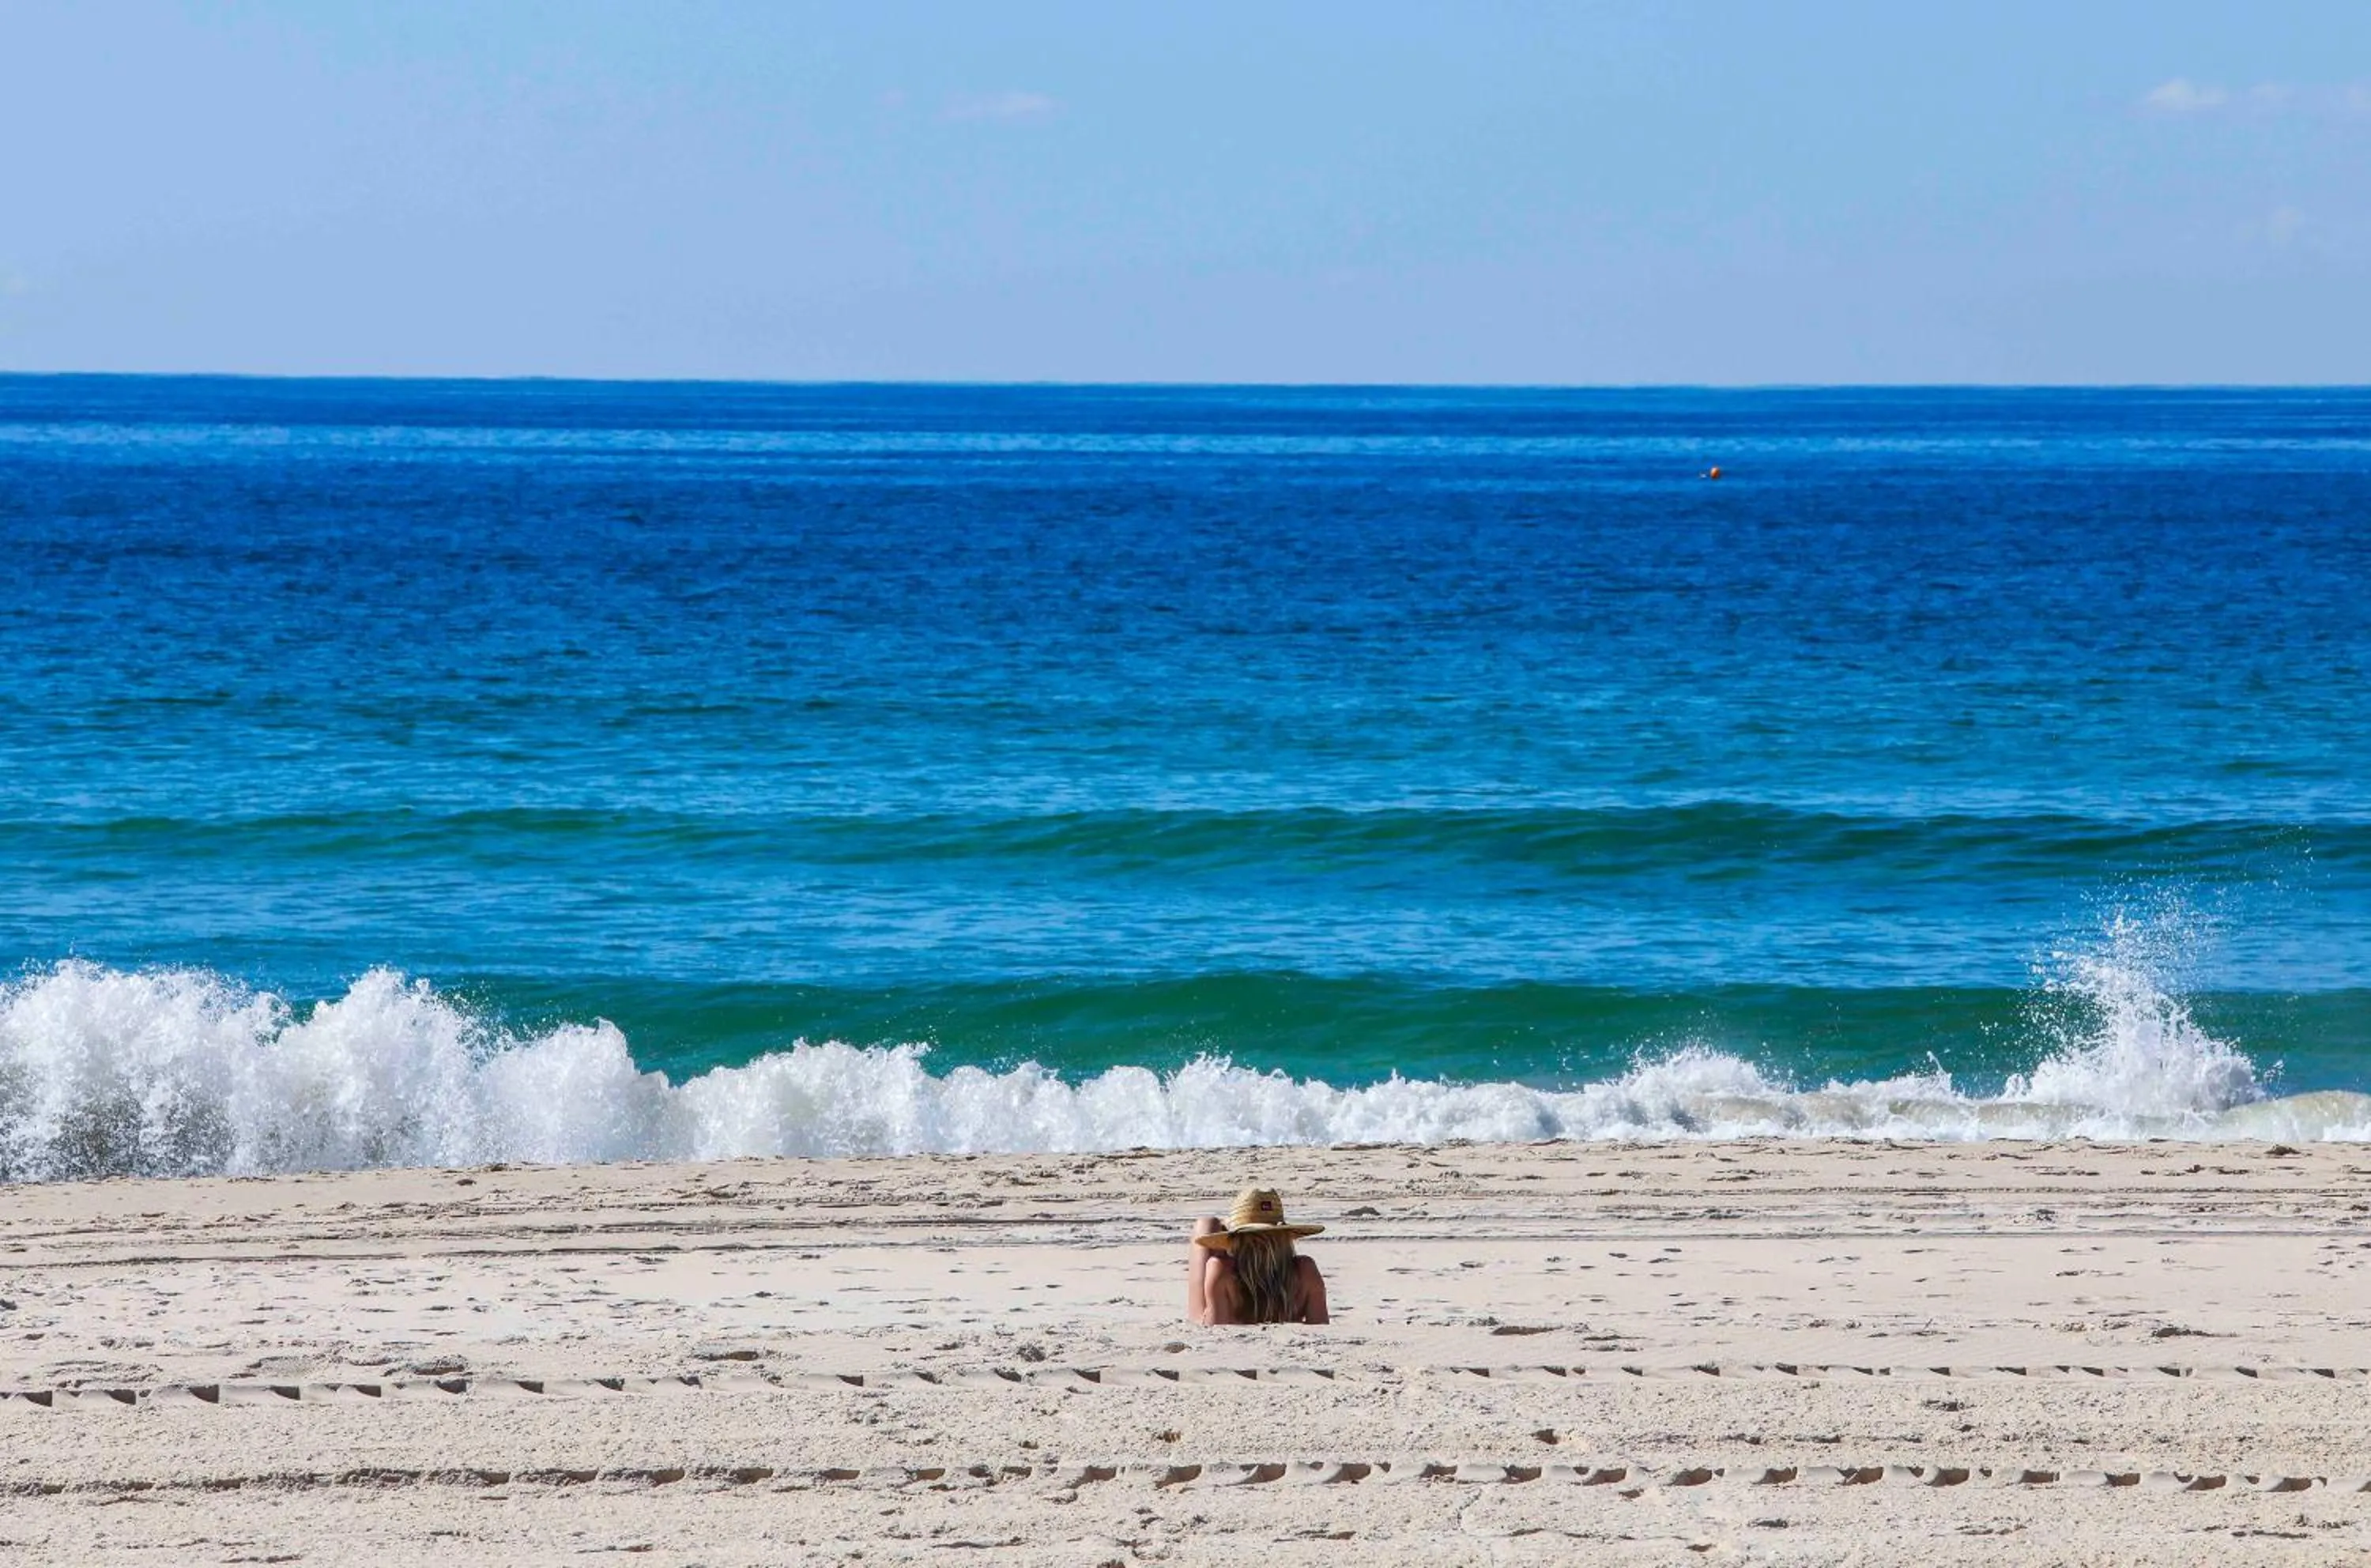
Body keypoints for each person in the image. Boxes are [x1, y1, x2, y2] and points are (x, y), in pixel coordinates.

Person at [1185, 1186, 1330, 1325]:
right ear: (1284, 1236)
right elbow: (1320, 1325)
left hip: (1229, 1307)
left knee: (1206, 1224)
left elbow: (1214, 1329)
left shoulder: (1222, 1269)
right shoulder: (1306, 1270)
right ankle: (1249, 1224)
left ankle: (1232, 1224)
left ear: (1237, 1239)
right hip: (1283, 1286)